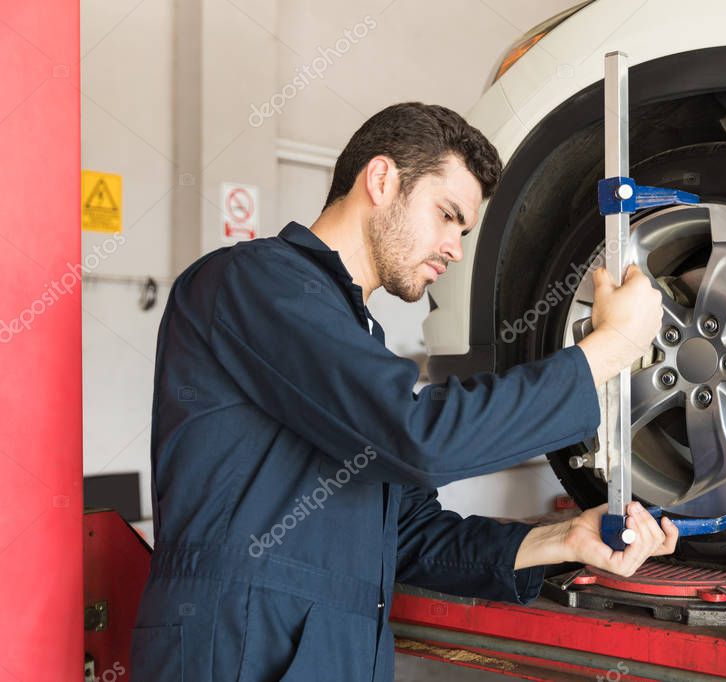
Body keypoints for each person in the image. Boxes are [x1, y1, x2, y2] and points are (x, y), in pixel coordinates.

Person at [130, 102, 676, 681]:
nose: (455, 248)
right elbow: (420, 438)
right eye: (447, 215)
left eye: (463, 231)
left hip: (325, 654)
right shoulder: (253, 281)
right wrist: (612, 346)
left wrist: (563, 538)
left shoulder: (356, 335)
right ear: (382, 179)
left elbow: (410, 537)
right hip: (237, 650)